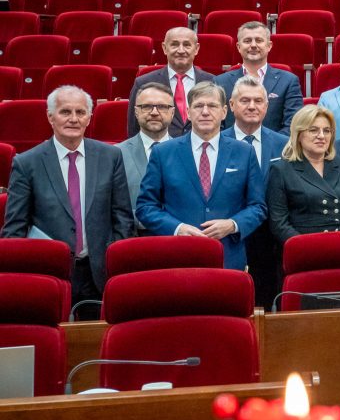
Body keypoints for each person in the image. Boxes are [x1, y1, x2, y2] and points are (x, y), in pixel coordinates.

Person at [3, 86, 133, 316]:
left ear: (89, 117)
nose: (73, 119)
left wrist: (114, 263)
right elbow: (15, 228)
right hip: (49, 274)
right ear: (50, 117)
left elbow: (122, 216)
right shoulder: (27, 163)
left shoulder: (110, 156)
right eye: (65, 112)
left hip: (99, 273)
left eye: (80, 112)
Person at [136, 82, 267, 271]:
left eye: (212, 106)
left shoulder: (244, 152)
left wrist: (232, 224)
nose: (205, 112)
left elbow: (258, 207)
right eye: (198, 106)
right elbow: (145, 207)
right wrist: (177, 228)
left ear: (224, 112)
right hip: (177, 257)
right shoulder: (163, 153)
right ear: (188, 112)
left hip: (228, 259)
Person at [223, 75, 289, 307]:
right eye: (245, 101)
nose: (252, 106)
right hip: (231, 237)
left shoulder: (285, 144)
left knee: (267, 306)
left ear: (266, 106)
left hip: (272, 240)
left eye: (258, 101)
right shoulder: (218, 142)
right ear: (232, 105)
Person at [265, 105, 340, 246]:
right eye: (313, 130)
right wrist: (307, 248)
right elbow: (278, 223)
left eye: (326, 131)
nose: (321, 136)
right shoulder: (281, 170)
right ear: (299, 134)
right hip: (304, 249)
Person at [127, 27, 216, 138]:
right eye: (174, 45)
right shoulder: (143, 82)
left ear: (196, 49)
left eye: (187, 45)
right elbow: (134, 129)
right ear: (164, 48)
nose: (181, 50)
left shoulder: (212, 82)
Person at [215, 21, 302, 134]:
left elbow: (293, 124)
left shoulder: (289, 81)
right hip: (230, 145)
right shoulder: (220, 82)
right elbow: (216, 124)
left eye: (259, 40)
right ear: (238, 47)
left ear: (269, 46)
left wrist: (269, 143)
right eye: (247, 41)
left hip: (275, 145)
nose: (253, 45)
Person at [117, 82, 174, 232]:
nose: (154, 112)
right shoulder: (115, 154)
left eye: (162, 107)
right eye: (147, 106)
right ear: (136, 112)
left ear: (172, 112)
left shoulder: (189, 153)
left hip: (179, 239)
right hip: (132, 238)